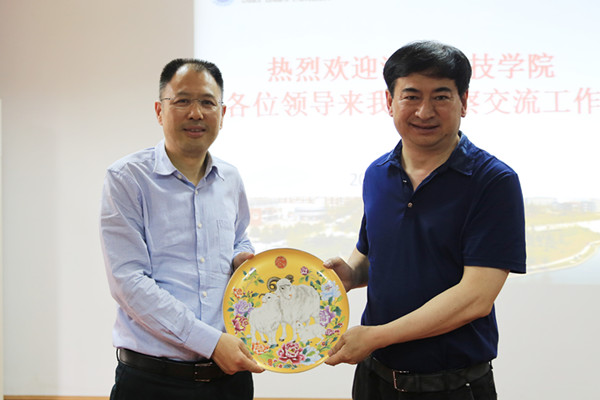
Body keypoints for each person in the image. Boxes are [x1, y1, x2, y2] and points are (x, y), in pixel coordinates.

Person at [324, 40, 526, 400]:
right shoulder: (377, 173)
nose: (424, 111)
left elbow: (475, 297)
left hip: (452, 385)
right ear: (390, 102)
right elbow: (374, 254)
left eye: (441, 97)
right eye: (412, 96)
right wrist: (351, 275)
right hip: (374, 379)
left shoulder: (493, 181)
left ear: (464, 102)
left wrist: (376, 336)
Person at [100, 58, 264, 400]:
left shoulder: (230, 178)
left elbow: (239, 238)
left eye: (207, 102)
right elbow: (128, 282)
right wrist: (210, 342)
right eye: (183, 101)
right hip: (152, 381)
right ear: (159, 111)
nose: (196, 113)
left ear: (222, 113)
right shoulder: (127, 178)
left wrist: (241, 257)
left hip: (229, 380)